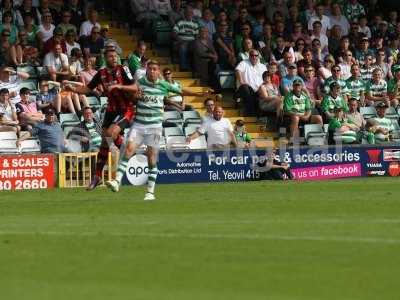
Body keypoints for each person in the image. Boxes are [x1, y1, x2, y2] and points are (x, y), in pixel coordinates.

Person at [105, 60, 211, 200]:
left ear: (158, 71)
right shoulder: (141, 82)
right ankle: (117, 181)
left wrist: (198, 95)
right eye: (150, 69)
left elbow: (180, 90)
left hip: (154, 127)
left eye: (155, 69)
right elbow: (132, 87)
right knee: (129, 149)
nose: (152, 71)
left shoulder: (163, 85)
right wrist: (119, 86)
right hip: (139, 125)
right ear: (147, 70)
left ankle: (150, 192)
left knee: (151, 160)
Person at [65, 49, 139, 190]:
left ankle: (125, 144)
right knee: (105, 143)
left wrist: (119, 86)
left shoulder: (123, 69)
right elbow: (88, 88)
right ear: (105, 58)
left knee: (110, 134)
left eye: (116, 56)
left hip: (126, 109)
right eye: (111, 56)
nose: (114, 58)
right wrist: (73, 89)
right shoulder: (102, 73)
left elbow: (135, 86)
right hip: (111, 110)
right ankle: (97, 177)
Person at [235, 49, 267, 116]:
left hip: (258, 90)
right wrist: (241, 82)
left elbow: (266, 78)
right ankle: (251, 114)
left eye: (256, 55)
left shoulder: (263, 66)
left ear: (258, 56)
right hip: (245, 88)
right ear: (249, 56)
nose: (254, 57)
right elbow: (238, 70)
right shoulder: (244, 63)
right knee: (245, 88)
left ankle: (260, 116)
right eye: (252, 55)